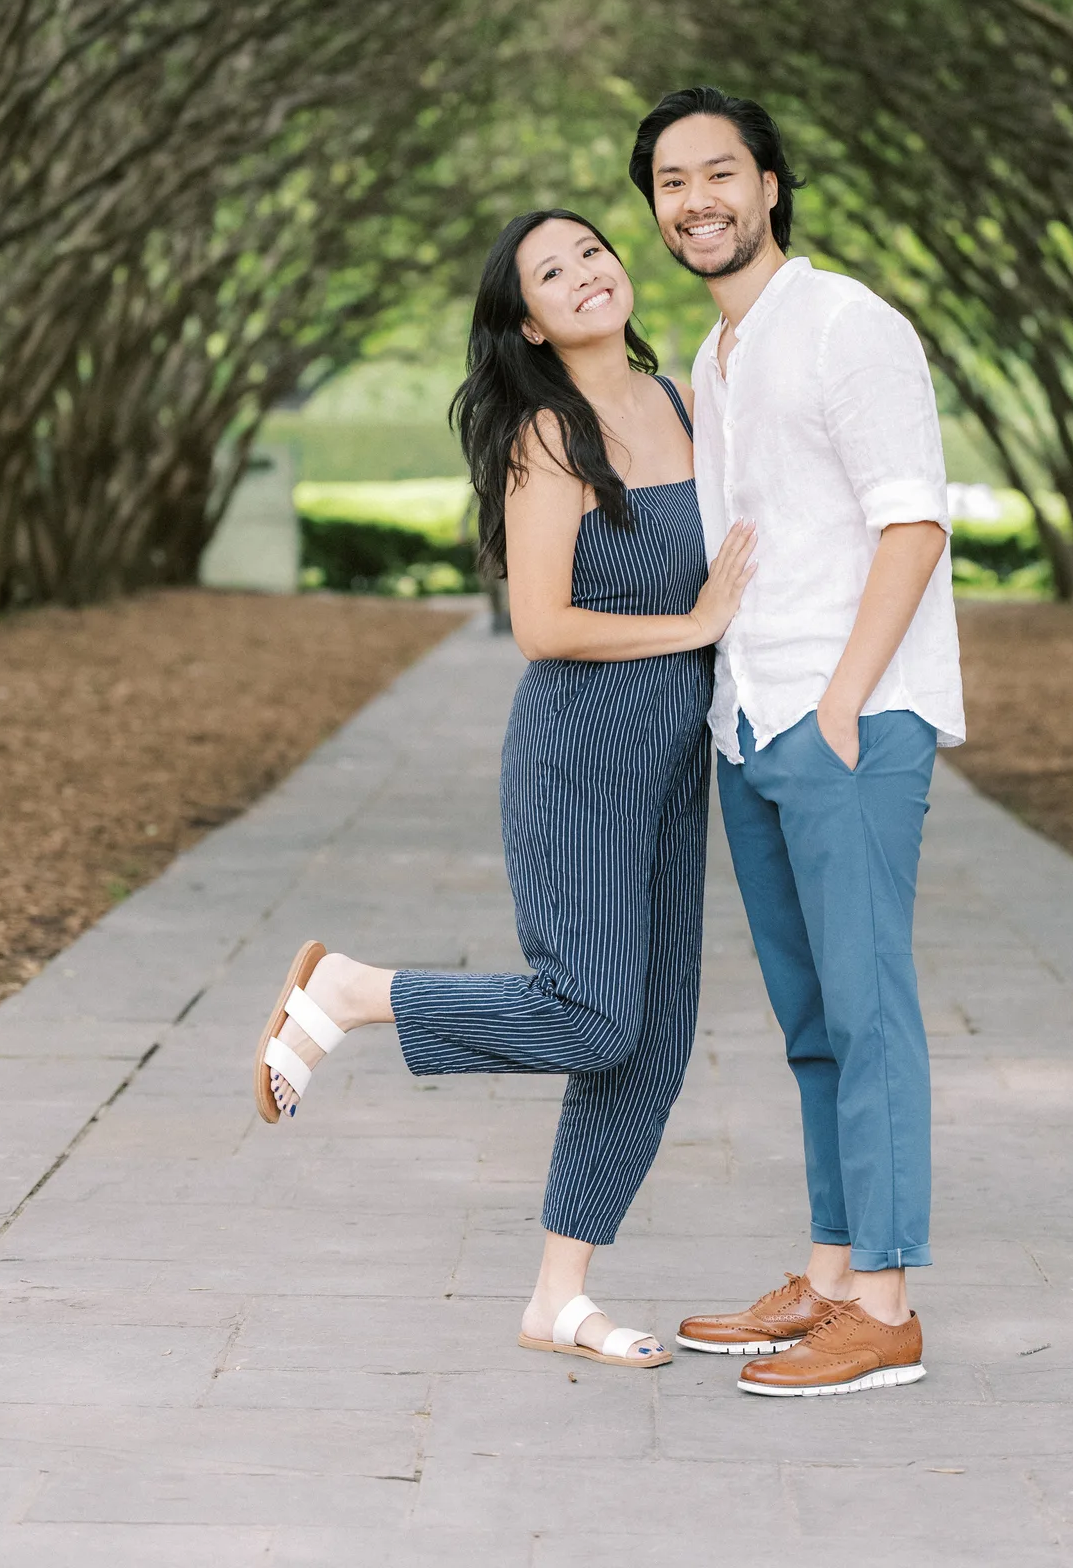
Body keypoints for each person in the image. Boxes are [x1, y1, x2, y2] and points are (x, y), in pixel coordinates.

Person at [253, 207, 755, 1369]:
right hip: (580, 753)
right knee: (590, 1010)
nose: (585, 274)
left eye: (592, 251)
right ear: (526, 317)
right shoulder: (546, 434)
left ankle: (557, 1299)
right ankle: (355, 987)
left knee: (653, 1041)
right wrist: (693, 625)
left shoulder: (683, 401)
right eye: (551, 271)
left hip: (676, 757)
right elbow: (540, 625)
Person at [627, 88, 964, 1398]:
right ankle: (827, 1279)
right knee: (813, 1021)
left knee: (867, 1011)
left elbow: (913, 525)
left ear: (769, 184)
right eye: (670, 181)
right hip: (750, 719)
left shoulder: (845, 324)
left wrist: (841, 702)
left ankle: (883, 1309)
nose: (696, 200)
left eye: (721, 173)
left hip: (847, 718)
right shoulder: (716, 358)